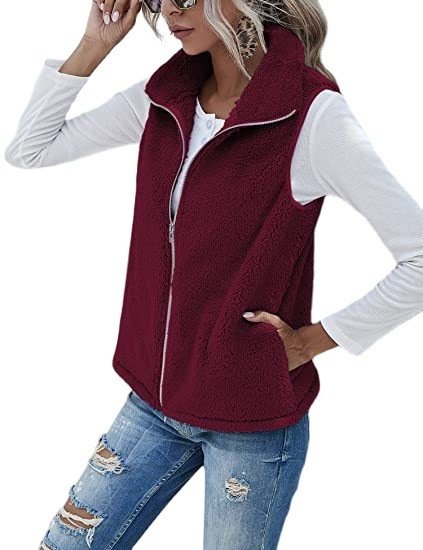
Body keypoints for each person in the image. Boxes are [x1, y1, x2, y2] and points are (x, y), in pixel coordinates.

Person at [5, 0, 423, 548]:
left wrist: (310, 342)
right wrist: (94, 46)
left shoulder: (312, 116)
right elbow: (29, 150)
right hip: (152, 403)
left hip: (250, 423)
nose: (170, 11)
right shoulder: (164, 99)